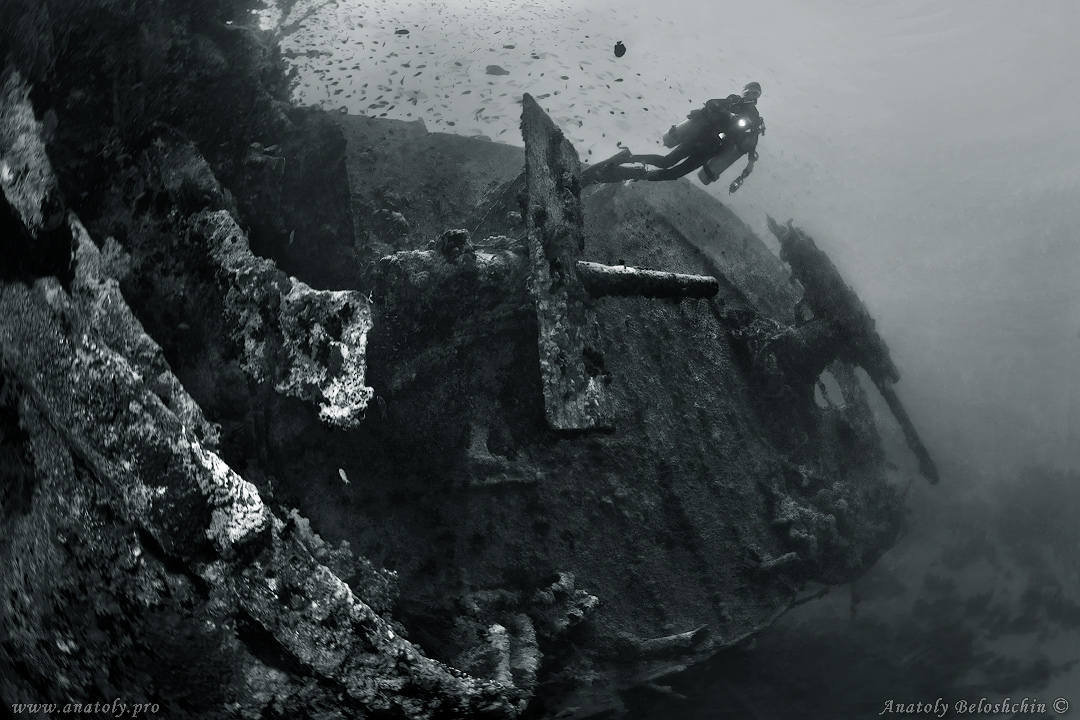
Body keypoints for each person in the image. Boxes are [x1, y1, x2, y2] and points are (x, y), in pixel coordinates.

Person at [581, 82, 764, 194]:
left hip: (713, 149)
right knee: (666, 161)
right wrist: (728, 113)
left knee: (674, 174)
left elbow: (749, 142)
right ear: (743, 92)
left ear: (758, 96)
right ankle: (628, 157)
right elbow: (710, 103)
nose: (750, 96)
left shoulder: (755, 116)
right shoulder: (732, 100)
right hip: (699, 138)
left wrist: (745, 166)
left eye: (755, 93)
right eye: (748, 92)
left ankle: (638, 174)